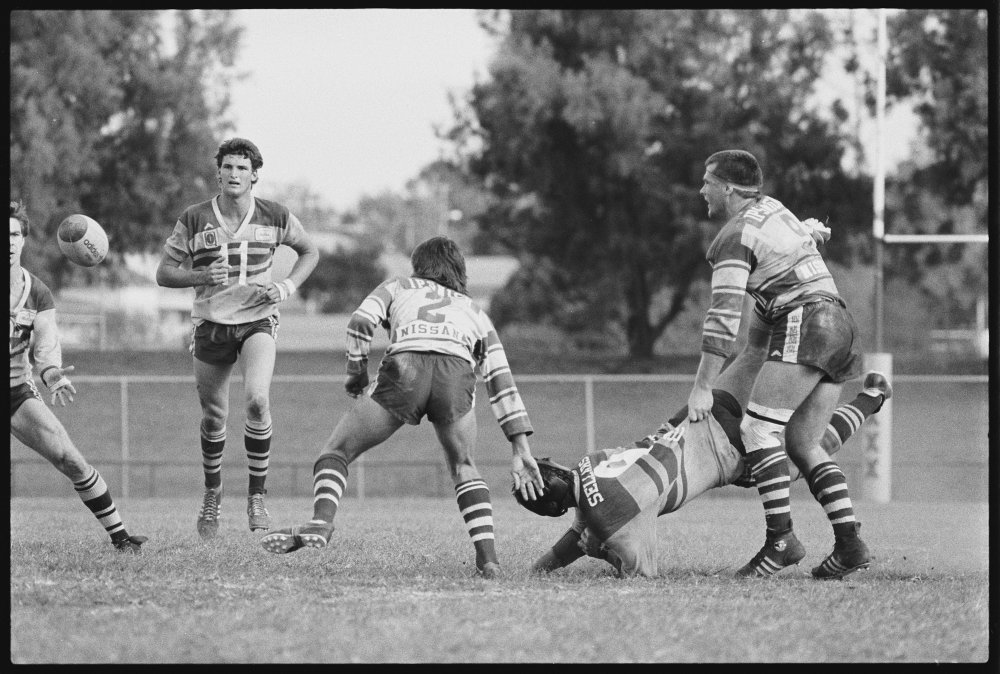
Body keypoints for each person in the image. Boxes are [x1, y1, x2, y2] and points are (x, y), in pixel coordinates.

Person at [261, 236, 545, 579]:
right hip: (455, 375)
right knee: (465, 466)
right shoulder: (474, 310)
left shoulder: (397, 285)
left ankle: (321, 522)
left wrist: (356, 374)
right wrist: (520, 446)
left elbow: (361, 321)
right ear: (459, 270)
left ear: (419, 266)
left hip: (406, 369)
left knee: (335, 452)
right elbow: (500, 376)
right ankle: (489, 561)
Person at [684, 149, 868, 578]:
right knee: (803, 443)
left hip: (807, 322)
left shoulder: (733, 237)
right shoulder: (776, 212)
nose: (702, 190)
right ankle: (850, 545)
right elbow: (755, 343)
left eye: (707, 181)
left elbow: (723, 319)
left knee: (758, 430)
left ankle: (781, 541)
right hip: (840, 324)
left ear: (727, 188)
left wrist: (702, 387)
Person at [518, 370, 892, 579]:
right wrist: (541, 568)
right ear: (557, 469)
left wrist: (600, 550)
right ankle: (867, 396)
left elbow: (641, 573)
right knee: (758, 359)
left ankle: (870, 400)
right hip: (700, 414)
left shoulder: (604, 517)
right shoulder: (590, 463)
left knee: (813, 448)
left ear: (552, 509)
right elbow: (581, 525)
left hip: (725, 450)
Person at [156, 138, 319, 538]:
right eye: (228, 167)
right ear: (218, 172)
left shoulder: (276, 215)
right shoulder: (195, 218)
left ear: (254, 175)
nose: (233, 174)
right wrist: (197, 276)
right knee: (214, 416)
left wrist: (285, 288)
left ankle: (256, 496)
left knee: (258, 401)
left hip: (257, 321)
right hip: (211, 324)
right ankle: (212, 496)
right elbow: (164, 272)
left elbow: (310, 252)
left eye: (242, 168)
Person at [9, 200, 147, 553]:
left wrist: (53, 375)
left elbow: (45, 349)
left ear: (23, 241)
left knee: (70, 458)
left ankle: (121, 537)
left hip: (15, 392)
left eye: (13, 235)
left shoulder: (36, 292)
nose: (7, 242)